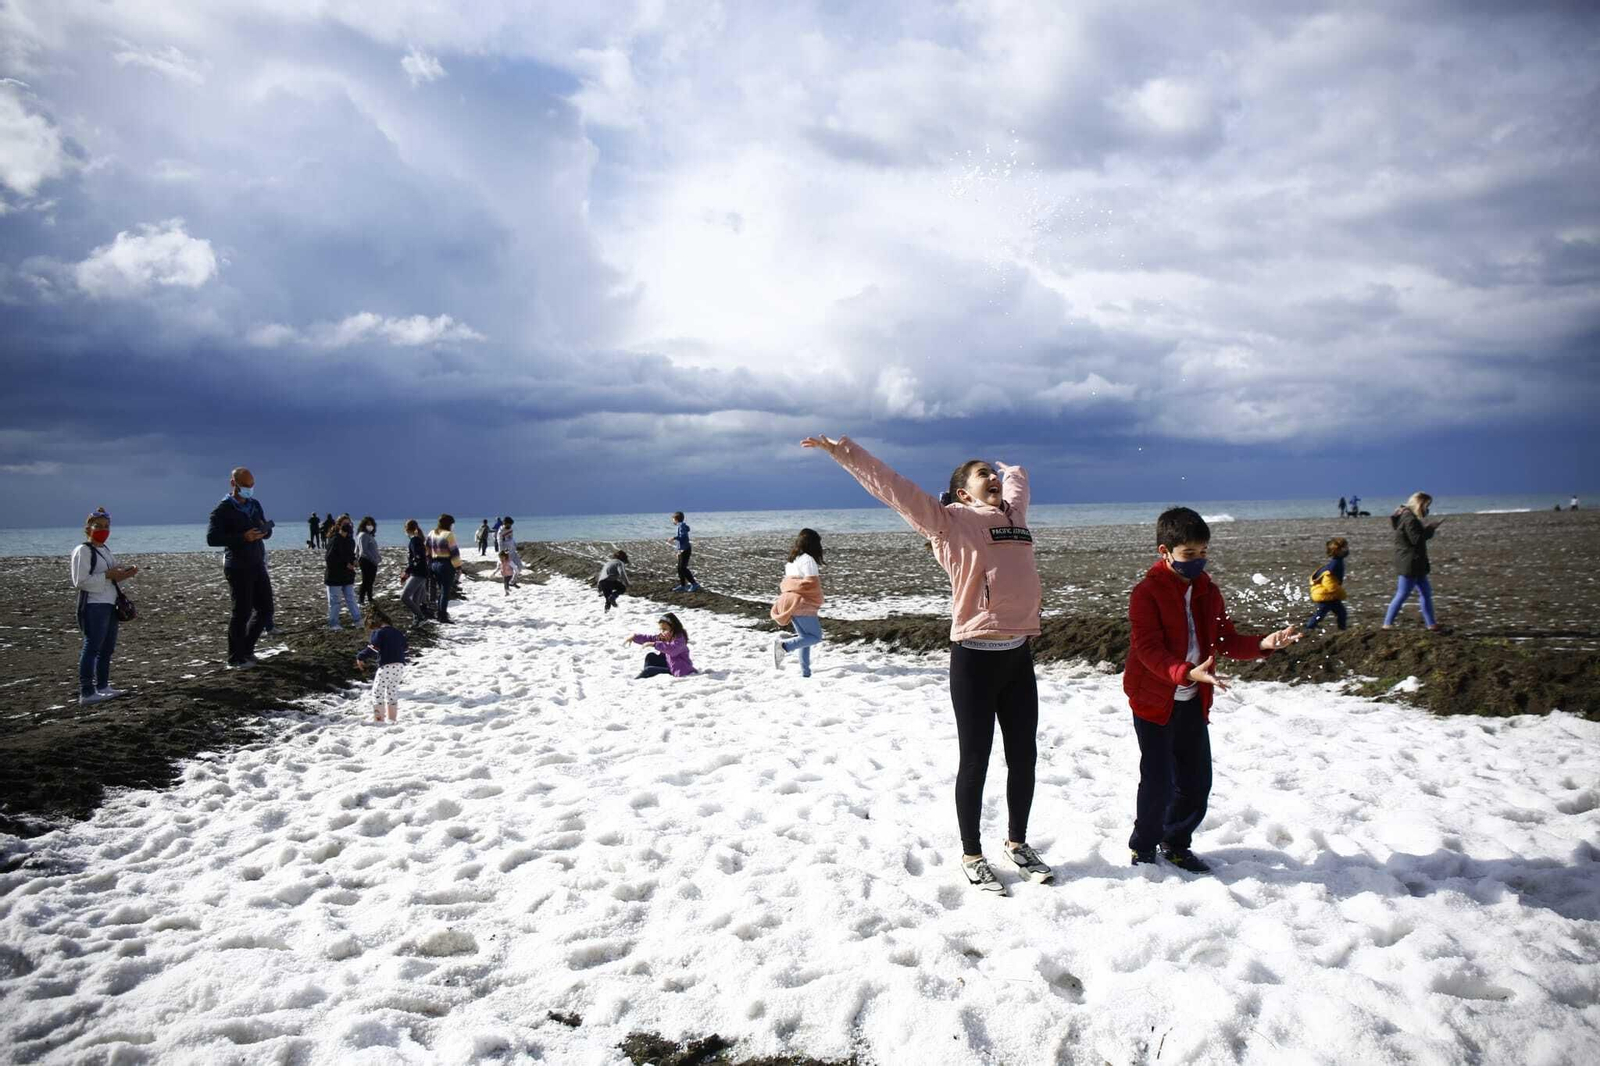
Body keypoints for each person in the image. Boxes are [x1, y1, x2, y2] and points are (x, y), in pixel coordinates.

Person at [802, 434, 1052, 895]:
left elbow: (1018, 492)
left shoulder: (1014, 517)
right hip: (974, 658)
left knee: (1024, 757)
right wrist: (845, 453)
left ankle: (1018, 844)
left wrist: (1014, 471)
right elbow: (893, 486)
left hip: (1018, 654)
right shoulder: (948, 522)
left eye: (993, 476)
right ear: (962, 494)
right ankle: (972, 855)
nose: (992, 480)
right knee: (975, 760)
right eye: (983, 476)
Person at [1123, 507, 1302, 875]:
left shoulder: (1208, 591)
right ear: (1165, 551)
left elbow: (1226, 640)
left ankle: (1175, 842)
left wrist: (1265, 643)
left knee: (1196, 782)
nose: (1198, 561)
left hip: (1193, 700)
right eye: (1189, 555)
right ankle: (1143, 847)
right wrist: (1186, 672)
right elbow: (1148, 650)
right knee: (1157, 781)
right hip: (1154, 701)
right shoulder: (1146, 593)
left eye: (1203, 553)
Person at [206, 467, 274, 669]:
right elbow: (212, 538)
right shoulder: (222, 510)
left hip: (257, 562)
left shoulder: (254, 504)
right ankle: (235, 657)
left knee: (266, 609)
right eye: (245, 486)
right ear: (233, 484)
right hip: (237, 565)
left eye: (252, 486)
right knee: (242, 612)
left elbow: (265, 529)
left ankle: (247, 649)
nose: (249, 489)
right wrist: (242, 538)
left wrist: (264, 532)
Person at [70, 507, 137, 704]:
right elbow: (80, 581)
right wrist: (108, 575)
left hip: (109, 602)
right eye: (98, 526)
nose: (103, 530)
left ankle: (102, 686)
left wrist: (125, 574)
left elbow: (111, 578)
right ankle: (87, 691)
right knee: (92, 647)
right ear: (88, 528)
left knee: (107, 649)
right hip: (94, 605)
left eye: (106, 526)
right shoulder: (83, 550)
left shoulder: (104, 550)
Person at [1383, 492, 1444, 630]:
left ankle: (1431, 624)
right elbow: (1416, 539)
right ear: (1420, 504)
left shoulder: (1405, 516)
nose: (1427, 509)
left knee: (1425, 592)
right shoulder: (1409, 518)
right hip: (1410, 562)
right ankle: (1387, 623)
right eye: (1427, 505)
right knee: (1403, 593)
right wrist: (1430, 528)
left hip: (1414, 562)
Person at [770, 528, 825, 678]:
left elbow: (789, 582)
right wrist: (817, 597)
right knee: (815, 637)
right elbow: (810, 584)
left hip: (789, 601)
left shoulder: (792, 560)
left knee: (805, 638)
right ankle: (785, 646)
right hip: (802, 602)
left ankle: (806, 673)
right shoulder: (808, 559)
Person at [355, 609, 408, 723]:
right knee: (392, 691)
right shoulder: (398, 632)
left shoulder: (380, 633)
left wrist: (361, 657)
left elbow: (373, 648)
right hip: (400, 666)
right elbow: (405, 646)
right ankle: (392, 718)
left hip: (386, 667)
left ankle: (379, 720)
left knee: (377, 692)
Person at [626, 613, 697, 679]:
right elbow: (651, 638)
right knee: (651, 656)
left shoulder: (680, 640)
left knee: (649, 670)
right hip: (669, 664)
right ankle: (648, 676)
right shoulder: (665, 636)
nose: (662, 632)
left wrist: (654, 644)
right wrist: (634, 637)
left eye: (665, 629)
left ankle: (639, 679)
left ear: (673, 628)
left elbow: (672, 650)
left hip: (678, 670)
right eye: (661, 629)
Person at [324, 515, 362, 629]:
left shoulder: (350, 541)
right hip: (334, 576)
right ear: (339, 525)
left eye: (349, 524)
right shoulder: (334, 539)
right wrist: (346, 564)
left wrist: (354, 561)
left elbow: (350, 555)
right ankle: (334, 623)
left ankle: (358, 620)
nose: (347, 526)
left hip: (347, 575)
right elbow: (330, 558)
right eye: (345, 524)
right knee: (335, 601)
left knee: (351, 598)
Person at [1305, 536, 1350, 631]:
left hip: (1330, 595)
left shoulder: (1336, 562)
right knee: (1321, 614)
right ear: (1336, 551)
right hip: (1327, 595)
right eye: (1343, 548)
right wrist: (1338, 592)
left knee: (1341, 613)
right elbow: (1329, 580)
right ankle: (1308, 628)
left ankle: (1342, 630)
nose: (1346, 550)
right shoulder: (1335, 564)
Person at [427, 514, 462, 624]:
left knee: (437, 590)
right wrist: (458, 567)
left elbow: (426, 549)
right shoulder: (449, 535)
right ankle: (442, 615)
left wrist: (429, 563)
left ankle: (438, 612)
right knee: (445, 592)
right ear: (449, 524)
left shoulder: (432, 533)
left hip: (434, 563)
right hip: (446, 564)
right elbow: (454, 552)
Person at [400, 519, 431, 623]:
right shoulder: (419, 539)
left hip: (418, 573)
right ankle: (416, 620)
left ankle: (421, 617)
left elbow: (417, 558)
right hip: (422, 572)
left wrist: (407, 571)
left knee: (404, 597)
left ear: (407, 529)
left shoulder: (414, 540)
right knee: (415, 600)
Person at [671, 511, 701, 592]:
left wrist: (674, 538)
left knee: (683, 568)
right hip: (682, 550)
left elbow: (683, 537)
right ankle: (683, 585)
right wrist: (678, 551)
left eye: (673, 519)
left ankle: (694, 584)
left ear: (676, 519)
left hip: (686, 549)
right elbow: (681, 541)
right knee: (679, 568)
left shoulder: (681, 526)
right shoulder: (680, 526)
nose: (672, 521)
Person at [354, 516, 381, 606]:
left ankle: (369, 597)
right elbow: (363, 550)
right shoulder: (363, 535)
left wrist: (378, 557)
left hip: (372, 561)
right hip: (366, 561)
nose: (370, 526)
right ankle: (361, 599)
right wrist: (373, 560)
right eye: (368, 524)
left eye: (371, 524)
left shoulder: (369, 535)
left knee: (370, 580)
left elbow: (373, 548)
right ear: (364, 525)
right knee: (366, 580)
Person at [497, 517, 522, 587]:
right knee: (508, 569)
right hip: (506, 554)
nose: (510, 526)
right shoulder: (500, 532)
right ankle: (508, 582)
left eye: (511, 525)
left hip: (513, 551)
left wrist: (516, 546)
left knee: (520, 566)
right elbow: (500, 544)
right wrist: (502, 554)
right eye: (509, 525)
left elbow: (512, 539)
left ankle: (513, 581)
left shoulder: (510, 529)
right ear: (505, 523)